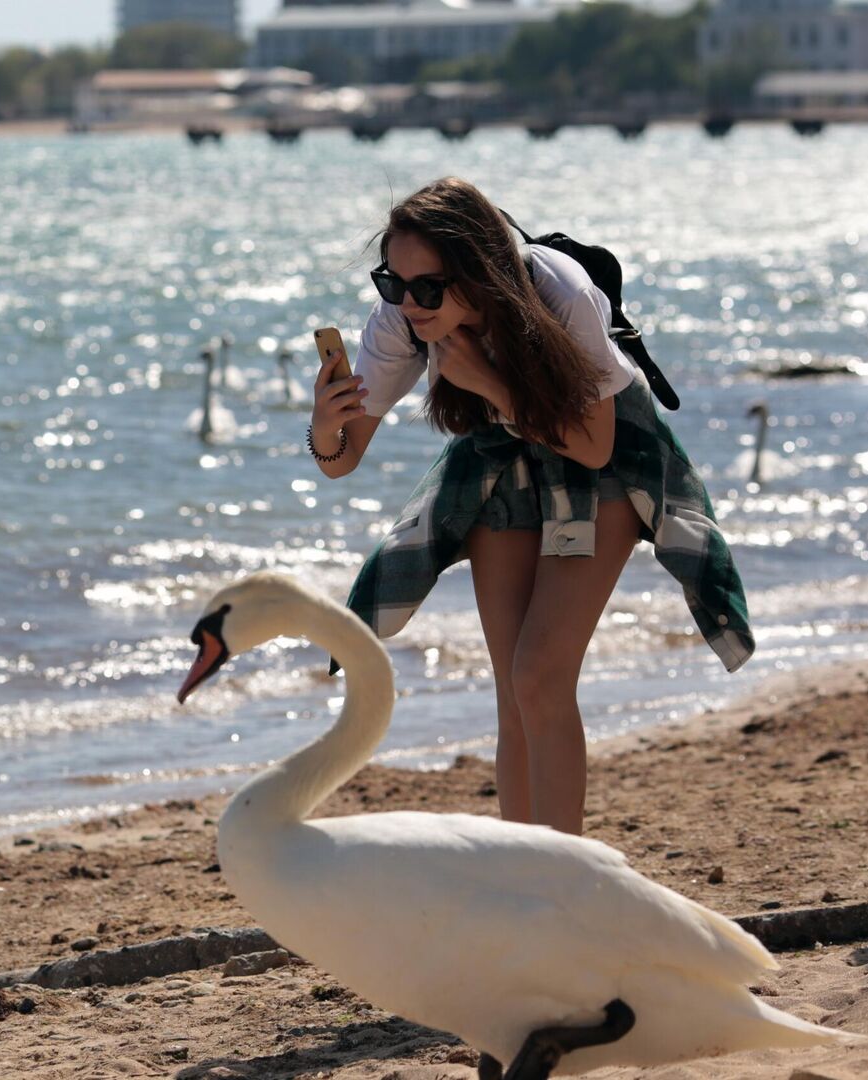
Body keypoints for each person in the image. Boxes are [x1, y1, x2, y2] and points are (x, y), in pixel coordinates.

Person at [307, 177, 752, 835]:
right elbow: (342, 458)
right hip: (500, 462)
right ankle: (524, 880)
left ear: (479, 272)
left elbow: (595, 444)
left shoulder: (559, 292)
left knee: (541, 677)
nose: (408, 303)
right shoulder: (403, 318)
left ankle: (566, 878)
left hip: (600, 460)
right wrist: (323, 425)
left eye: (428, 287)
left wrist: (486, 381)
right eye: (392, 283)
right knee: (514, 698)